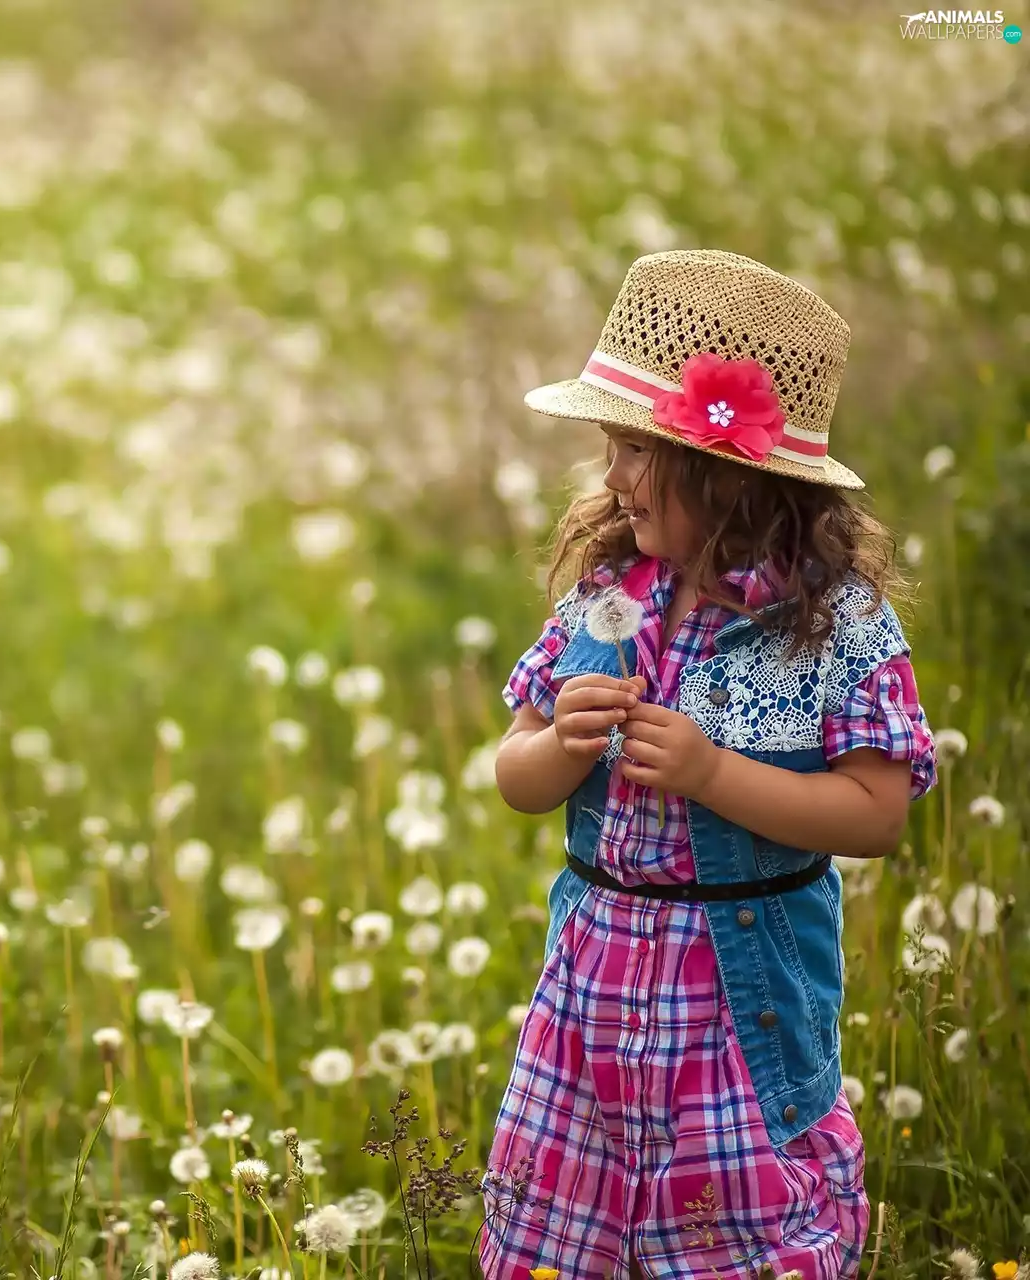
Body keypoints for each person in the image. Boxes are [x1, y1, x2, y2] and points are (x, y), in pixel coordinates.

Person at [480, 250, 937, 1279]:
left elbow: (874, 814)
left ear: (727, 471)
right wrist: (558, 745)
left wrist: (713, 774)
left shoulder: (833, 626)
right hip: (591, 1008)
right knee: (568, 1234)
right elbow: (513, 772)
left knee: (728, 1235)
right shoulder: (609, 593)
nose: (612, 475)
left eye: (635, 449)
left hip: (735, 1011)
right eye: (609, 447)